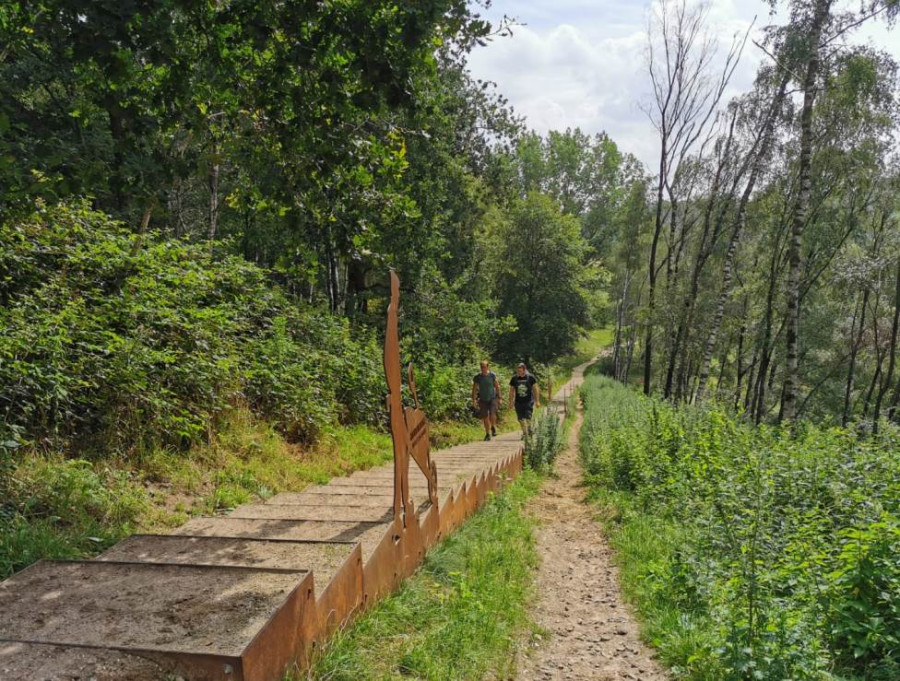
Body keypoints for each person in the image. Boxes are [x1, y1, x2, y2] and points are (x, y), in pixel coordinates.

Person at [472, 360, 502, 440]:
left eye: (484, 367)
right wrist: (474, 400)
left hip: (492, 398)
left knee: (492, 414)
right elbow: (474, 389)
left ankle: (493, 426)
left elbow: (497, 386)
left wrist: (499, 397)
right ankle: (488, 433)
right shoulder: (477, 377)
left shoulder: (492, 375)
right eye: (482, 367)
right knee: (485, 416)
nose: (483, 368)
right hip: (482, 399)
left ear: (487, 367)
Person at [508, 362, 540, 436]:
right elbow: (511, 390)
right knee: (520, 419)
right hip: (518, 402)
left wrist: (537, 401)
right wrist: (511, 401)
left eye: (520, 371)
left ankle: (529, 430)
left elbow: (535, 389)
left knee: (528, 416)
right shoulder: (514, 378)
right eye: (518, 371)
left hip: (528, 401)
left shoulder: (530, 377)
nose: (518, 372)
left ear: (524, 370)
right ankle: (525, 433)